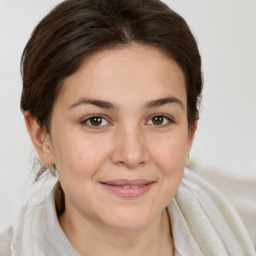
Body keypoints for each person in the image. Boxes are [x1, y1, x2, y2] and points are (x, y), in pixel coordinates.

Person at [0, 0, 255, 255]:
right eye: (95, 121)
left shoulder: (247, 232)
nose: (132, 155)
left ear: (189, 134)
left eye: (158, 119)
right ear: (42, 136)